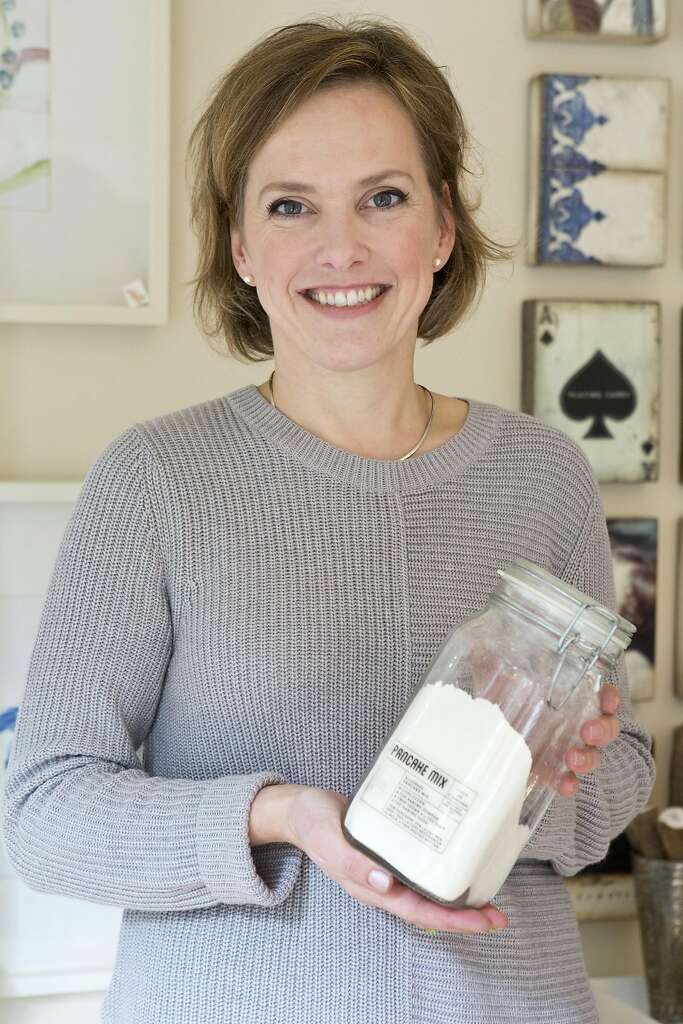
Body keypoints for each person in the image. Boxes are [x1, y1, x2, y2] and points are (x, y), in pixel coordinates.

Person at [2, 15, 655, 1024]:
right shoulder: (157, 481)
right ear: (242, 247)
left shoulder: (541, 474)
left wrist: (530, 783)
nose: (339, 246)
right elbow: (44, 816)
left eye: (382, 198)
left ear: (440, 229)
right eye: (291, 205)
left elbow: (614, 780)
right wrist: (282, 816)